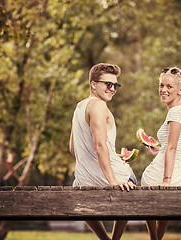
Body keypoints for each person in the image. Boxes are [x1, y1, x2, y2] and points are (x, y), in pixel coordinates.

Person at [69, 63, 136, 240]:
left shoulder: (79, 107)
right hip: (113, 178)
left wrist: (112, 156)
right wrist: (113, 180)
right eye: (108, 84)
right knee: (130, 180)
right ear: (93, 84)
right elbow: (99, 145)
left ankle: (104, 239)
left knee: (77, 187)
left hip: (84, 182)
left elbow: (73, 148)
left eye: (116, 85)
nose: (112, 89)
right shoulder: (99, 106)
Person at [141, 66, 181, 240]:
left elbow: (172, 148)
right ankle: (157, 238)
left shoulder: (175, 112)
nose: (163, 90)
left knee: (146, 186)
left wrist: (167, 181)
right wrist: (160, 149)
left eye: (169, 87)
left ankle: (154, 238)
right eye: (161, 85)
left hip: (169, 179)